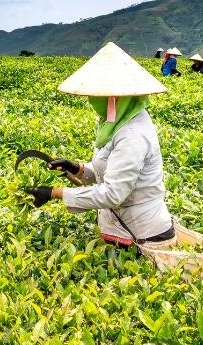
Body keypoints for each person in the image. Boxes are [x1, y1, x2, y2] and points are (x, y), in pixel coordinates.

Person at [21, 42, 176, 247]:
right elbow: (111, 170)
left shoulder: (133, 134)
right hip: (119, 229)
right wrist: (77, 168)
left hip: (143, 235)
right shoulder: (115, 122)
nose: (92, 100)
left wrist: (54, 193)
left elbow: (113, 193)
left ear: (113, 98)